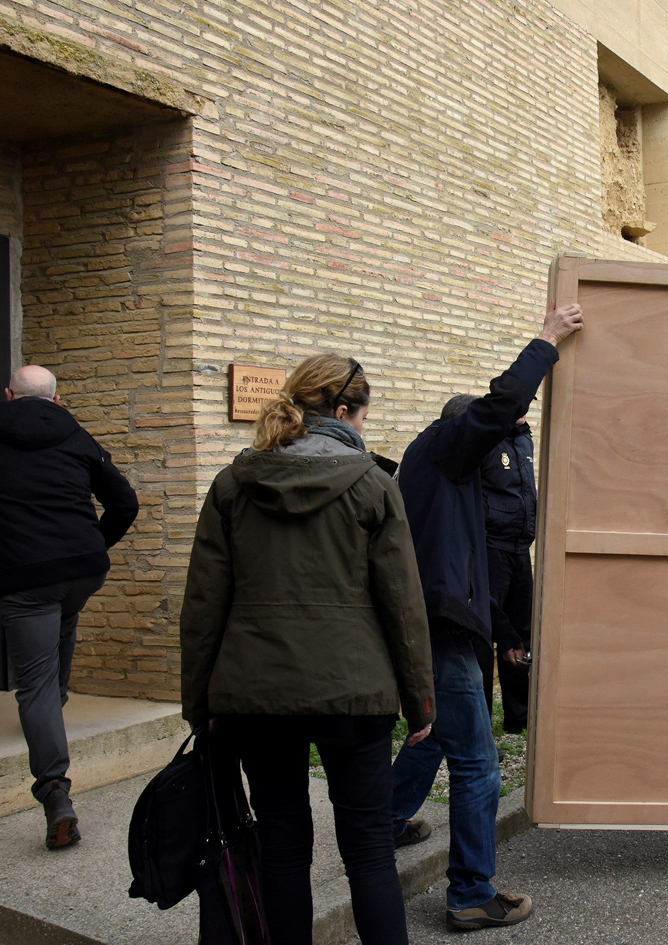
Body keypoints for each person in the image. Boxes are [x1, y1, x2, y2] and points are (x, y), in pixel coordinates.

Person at [179, 354, 435, 945]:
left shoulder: (232, 484)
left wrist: (201, 703)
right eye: (365, 415)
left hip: (257, 695)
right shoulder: (373, 483)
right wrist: (420, 701)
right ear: (344, 411)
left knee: (283, 846)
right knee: (369, 849)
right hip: (355, 693)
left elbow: (203, 607)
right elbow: (403, 605)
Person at [390, 302, 583, 930]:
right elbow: (501, 405)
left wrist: (504, 635)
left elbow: (468, 570)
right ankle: (471, 893)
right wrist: (546, 341)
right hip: (442, 633)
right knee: (477, 762)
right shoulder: (448, 450)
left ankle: (388, 819)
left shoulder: (445, 481)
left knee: (439, 734)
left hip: (442, 625)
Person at [0, 365, 138, 849]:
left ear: (8, 395)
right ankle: (54, 710)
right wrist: (94, 544)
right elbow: (125, 503)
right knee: (62, 624)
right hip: (83, 569)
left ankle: (54, 789)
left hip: (27, 574)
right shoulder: (76, 434)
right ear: (57, 398)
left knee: (35, 684)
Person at [477, 414, 536, 734]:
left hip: (520, 547)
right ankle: (481, 723)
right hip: (492, 548)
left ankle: (519, 717)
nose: (523, 409)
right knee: (486, 634)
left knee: (520, 633)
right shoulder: (487, 437)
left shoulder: (525, 438)